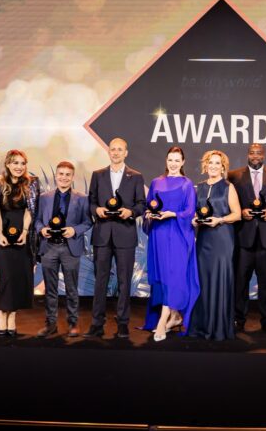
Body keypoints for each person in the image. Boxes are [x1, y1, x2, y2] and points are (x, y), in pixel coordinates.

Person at [87, 137, 146, 338]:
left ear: (126, 153)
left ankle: (122, 323)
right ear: (108, 151)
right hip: (102, 235)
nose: (116, 152)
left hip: (125, 235)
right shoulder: (98, 175)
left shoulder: (136, 176)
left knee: (124, 281)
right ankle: (97, 323)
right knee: (100, 282)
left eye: (120, 149)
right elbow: (91, 202)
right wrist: (97, 210)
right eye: (113, 149)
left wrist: (131, 212)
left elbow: (141, 204)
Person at [227, 143, 266, 334]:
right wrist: (240, 211)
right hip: (243, 237)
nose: (255, 156)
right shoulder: (234, 176)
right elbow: (227, 203)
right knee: (240, 281)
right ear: (247, 155)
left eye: (258, 153)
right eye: (252, 153)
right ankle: (238, 320)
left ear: (264, 155)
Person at [144, 146, 200, 341]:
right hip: (159, 235)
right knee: (162, 275)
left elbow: (189, 211)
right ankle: (175, 316)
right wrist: (149, 214)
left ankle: (163, 320)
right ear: (166, 161)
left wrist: (172, 214)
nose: (173, 164)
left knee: (173, 275)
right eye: (170, 160)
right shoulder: (156, 182)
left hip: (178, 234)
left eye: (177, 160)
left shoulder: (187, 184)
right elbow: (150, 205)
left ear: (183, 162)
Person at [35, 161, 93, 338]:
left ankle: (73, 323)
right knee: (50, 289)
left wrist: (74, 230)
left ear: (73, 177)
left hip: (70, 248)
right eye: (61, 174)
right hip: (49, 247)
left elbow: (88, 222)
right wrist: (41, 229)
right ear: (56, 176)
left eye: (68, 174)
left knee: (71, 289)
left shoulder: (82, 198)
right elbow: (37, 220)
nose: (64, 177)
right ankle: (50, 324)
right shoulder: (44, 197)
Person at [190, 149, 242, 341]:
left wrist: (219, 220)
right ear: (205, 165)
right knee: (203, 280)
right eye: (210, 163)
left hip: (222, 238)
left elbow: (237, 214)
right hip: (204, 239)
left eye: (217, 163)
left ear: (223, 167)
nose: (213, 166)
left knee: (220, 279)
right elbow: (196, 212)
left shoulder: (228, 187)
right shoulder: (199, 187)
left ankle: (219, 327)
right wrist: (194, 220)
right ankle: (202, 325)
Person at [0, 149, 40, 336]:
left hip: (22, 236)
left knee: (19, 276)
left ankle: (13, 316)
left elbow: (30, 210)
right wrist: (0, 234)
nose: (19, 167)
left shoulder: (31, 183)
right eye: (15, 163)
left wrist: (25, 233)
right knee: (6, 277)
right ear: (8, 164)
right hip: (1, 235)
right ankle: (2, 313)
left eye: (23, 163)